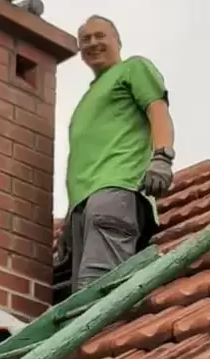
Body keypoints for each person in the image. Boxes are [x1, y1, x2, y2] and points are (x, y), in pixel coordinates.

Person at [56, 15, 176, 293]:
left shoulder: (133, 68)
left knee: (95, 293)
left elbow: (157, 109)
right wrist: (71, 219)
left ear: (117, 42)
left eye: (100, 36)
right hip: (85, 209)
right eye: (85, 39)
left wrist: (162, 158)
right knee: (81, 299)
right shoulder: (88, 97)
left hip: (115, 192)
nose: (93, 43)